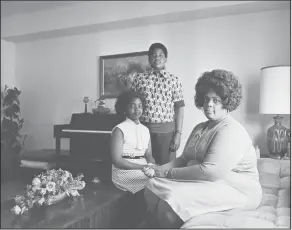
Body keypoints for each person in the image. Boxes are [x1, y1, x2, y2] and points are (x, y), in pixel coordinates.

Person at [143, 69, 263, 228]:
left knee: (169, 203)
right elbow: (183, 159)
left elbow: (210, 171)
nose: (209, 105)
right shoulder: (200, 127)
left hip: (237, 189)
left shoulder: (230, 130)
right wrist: (156, 170)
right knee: (151, 187)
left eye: (216, 100)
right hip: (208, 180)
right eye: (206, 99)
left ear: (227, 102)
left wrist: (166, 173)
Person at [131, 42, 185, 165]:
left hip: (166, 133)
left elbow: (180, 108)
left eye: (161, 55)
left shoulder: (174, 80)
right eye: (154, 55)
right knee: (143, 165)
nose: (157, 58)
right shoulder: (139, 78)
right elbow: (132, 104)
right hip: (142, 130)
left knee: (164, 168)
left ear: (166, 58)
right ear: (149, 59)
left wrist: (178, 133)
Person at [110, 90, 156, 194]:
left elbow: (148, 155)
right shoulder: (119, 129)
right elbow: (117, 161)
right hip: (124, 172)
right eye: (133, 106)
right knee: (150, 184)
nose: (137, 109)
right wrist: (143, 167)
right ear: (125, 108)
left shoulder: (145, 130)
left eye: (139, 106)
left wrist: (153, 166)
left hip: (143, 168)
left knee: (160, 180)